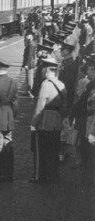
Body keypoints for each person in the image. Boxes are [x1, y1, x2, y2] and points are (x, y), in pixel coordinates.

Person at [30, 58, 67, 184]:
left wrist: (34, 123)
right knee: (54, 150)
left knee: (42, 151)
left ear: (46, 69)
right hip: (57, 122)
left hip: (45, 121)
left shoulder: (45, 84)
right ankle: (54, 176)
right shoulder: (61, 84)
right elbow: (64, 106)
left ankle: (42, 177)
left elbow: (40, 106)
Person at [70, 57, 95, 185]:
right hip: (88, 122)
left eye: (91, 69)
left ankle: (88, 183)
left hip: (90, 124)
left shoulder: (92, 86)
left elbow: (86, 104)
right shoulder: (90, 84)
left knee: (88, 155)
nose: (88, 72)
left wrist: (72, 113)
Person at [22, 32, 37, 96]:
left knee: (29, 78)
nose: (27, 37)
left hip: (30, 63)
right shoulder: (32, 43)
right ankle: (28, 91)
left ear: (31, 37)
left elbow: (30, 55)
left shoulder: (31, 44)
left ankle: (29, 91)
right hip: (31, 62)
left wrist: (27, 64)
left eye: (28, 36)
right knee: (28, 77)